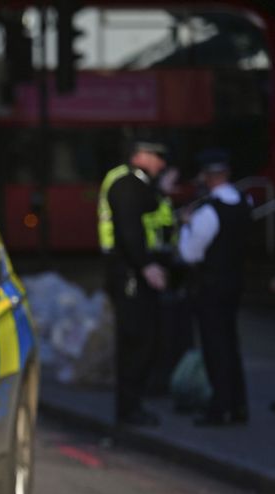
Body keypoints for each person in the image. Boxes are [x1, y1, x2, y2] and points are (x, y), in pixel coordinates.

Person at [98, 140, 173, 426]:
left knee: (143, 339)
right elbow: (129, 230)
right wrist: (147, 266)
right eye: (157, 157)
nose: (162, 164)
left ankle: (133, 405)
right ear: (140, 156)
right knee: (135, 340)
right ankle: (129, 408)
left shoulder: (137, 183)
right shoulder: (127, 184)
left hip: (133, 272)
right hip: (129, 274)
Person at [178, 149, 251, 426]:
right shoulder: (243, 202)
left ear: (207, 176)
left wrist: (186, 226)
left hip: (210, 286)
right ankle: (238, 404)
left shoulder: (209, 211)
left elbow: (189, 254)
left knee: (214, 346)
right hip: (235, 283)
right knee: (231, 343)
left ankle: (219, 407)